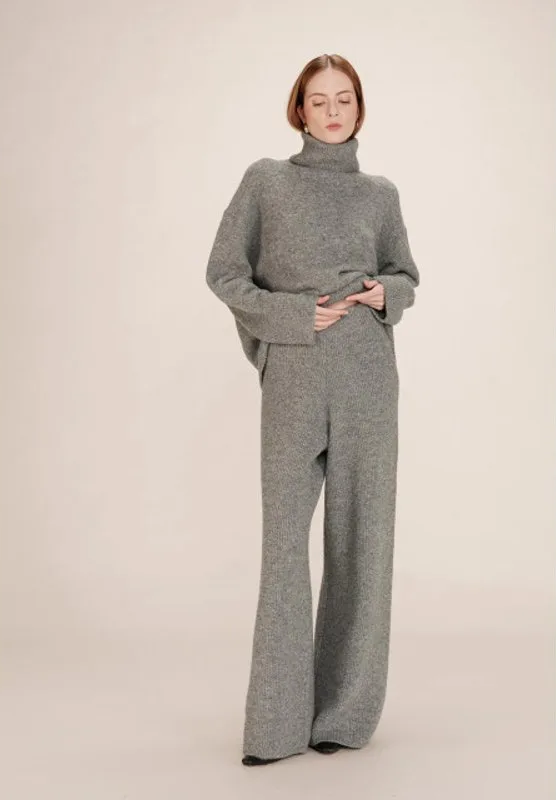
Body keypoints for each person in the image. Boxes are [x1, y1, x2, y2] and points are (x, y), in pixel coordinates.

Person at [205, 54, 420, 767]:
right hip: (295, 375)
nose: (332, 111)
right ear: (298, 108)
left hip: (367, 375)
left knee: (364, 541)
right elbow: (224, 272)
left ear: (360, 108)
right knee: (284, 547)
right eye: (319, 100)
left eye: (344, 99)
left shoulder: (380, 195)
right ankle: (274, 724)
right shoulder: (266, 181)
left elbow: (405, 274)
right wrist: (294, 316)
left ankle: (344, 717)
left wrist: (384, 294)